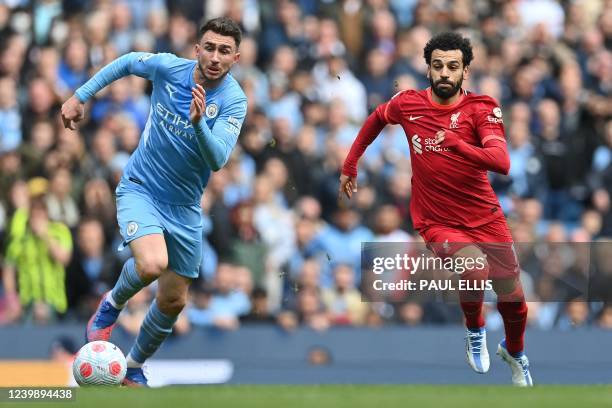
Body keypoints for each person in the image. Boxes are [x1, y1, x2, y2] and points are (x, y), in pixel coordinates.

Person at [60, 17, 247, 386]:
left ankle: (133, 366)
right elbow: (127, 61)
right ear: (196, 49)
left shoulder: (233, 101)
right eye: (208, 47)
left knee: (174, 300)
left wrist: (198, 124)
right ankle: (110, 306)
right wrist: (80, 95)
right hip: (141, 188)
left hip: (186, 208)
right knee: (151, 264)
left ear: (235, 58)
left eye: (224, 51)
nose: (214, 56)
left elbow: (217, 160)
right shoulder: (168, 68)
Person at [339, 32, 533, 386]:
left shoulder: (481, 108)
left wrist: (459, 145)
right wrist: (351, 163)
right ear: (428, 68)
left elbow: (501, 162)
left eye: (453, 67)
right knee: (474, 271)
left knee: (514, 296)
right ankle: (475, 330)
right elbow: (377, 119)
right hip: (437, 221)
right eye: (438, 66)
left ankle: (515, 352)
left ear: (465, 72)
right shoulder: (409, 104)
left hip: (485, 217)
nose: (445, 73)